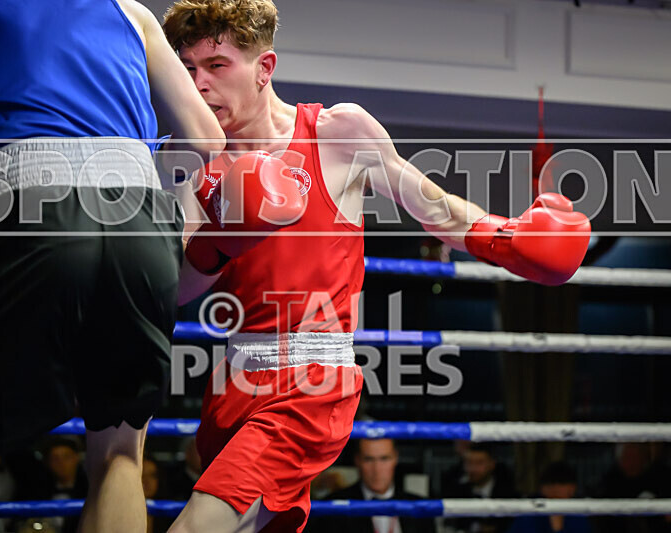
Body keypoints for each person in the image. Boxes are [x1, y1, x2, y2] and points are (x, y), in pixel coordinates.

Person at [161, 1, 591, 531]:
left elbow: (432, 209)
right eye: (188, 69)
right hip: (231, 380)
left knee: (195, 527)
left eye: (217, 66)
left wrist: (509, 240)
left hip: (311, 381)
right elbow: (178, 289)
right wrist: (221, 239)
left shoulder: (336, 133)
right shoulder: (194, 162)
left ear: (264, 68)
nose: (199, 84)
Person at [0, 1, 224, 532]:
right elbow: (207, 140)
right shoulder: (132, 14)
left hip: (30, 204)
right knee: (121, 457)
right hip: (141, 218)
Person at [307, 438, 435, 533]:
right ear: (357, 461)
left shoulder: (421, 507)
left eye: (384, 459)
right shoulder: (333, 508)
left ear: (396, 458)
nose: (377, 469)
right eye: (368, 459)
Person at [443, 443, 518, 533]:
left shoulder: (507, 492)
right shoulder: (457, 490)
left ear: (492, 464)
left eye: (479, 463)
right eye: (469, 462)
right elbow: (452, 523)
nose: (473, 469)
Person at [508, 462, 591, 533]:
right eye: (550, 484)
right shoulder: (529, 512)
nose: (554, 489)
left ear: (572, 488)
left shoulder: (578, 514)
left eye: (560, 483)